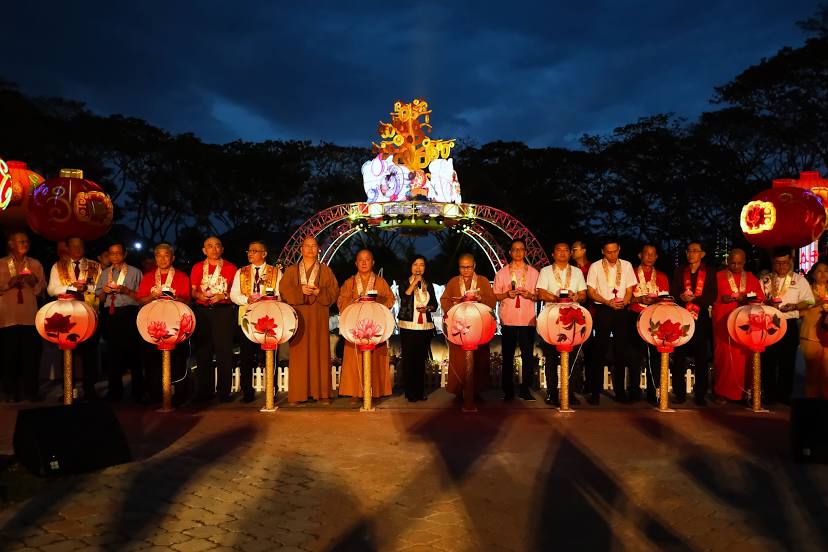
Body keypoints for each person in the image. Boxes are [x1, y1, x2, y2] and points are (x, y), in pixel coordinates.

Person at [280, 237, 339, 405]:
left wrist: (320, 291)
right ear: (301, 249)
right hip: (299, 316)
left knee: (320, 352)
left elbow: (334, 291)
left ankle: (322, 394)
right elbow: (283, 290)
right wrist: (300, 290)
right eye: (307, 246)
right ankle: (298, 394)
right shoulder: (291, 271)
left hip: (319, 315)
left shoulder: (326, 270)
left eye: (314, 246)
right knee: (299, 354)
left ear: (318, 249)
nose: (311, 249)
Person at [47, 236, 102, 400]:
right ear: (68, 249)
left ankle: (90, 390)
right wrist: (71, 287)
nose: (77, 249)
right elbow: (51, 290)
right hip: (67, 315)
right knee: (67, 352)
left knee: (90, 353)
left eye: (80, 246)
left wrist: (87, 287)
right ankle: (68, 389)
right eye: (74, 246)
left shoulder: (94, 265)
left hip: (89, 313)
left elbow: (100, 289)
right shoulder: (58, 266)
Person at [136, 242, 192, 404]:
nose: (162, 258)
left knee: (178, 361)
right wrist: (153, 296)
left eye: (166, 255)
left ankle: (180, 395)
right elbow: (141, 301)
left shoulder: (181, 276)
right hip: (153, 326)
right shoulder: (148, 277)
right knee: (152, 362)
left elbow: (187, 300)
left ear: (172, 257)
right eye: (158, 255)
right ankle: (154, 395)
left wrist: (172, 297)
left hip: (176, 326)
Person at [337, 249, 395, 403]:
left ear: (373, 262)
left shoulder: (380, 282)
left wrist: (377, 301)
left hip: (374, 327)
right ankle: (355, 392)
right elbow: (341, 302)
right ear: (356, 263)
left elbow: (391, 299)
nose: (364, 263)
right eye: (360, 260)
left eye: (367, 259)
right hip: (354, 328)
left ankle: (376, 391)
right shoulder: (349, 282)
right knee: (353, 358)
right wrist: (356, 300)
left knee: (376, 359)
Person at [230, 240, 283, 403]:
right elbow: (233, 294)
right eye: (249, 251)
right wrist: (247, 299)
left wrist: (269, 298)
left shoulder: (276, 272)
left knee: (269, 355)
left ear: (264, 254)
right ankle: (247, 392)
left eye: (254, 251)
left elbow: (281, 295)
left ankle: (271, 390)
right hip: (247, 319)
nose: (250, 253)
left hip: (269, 320)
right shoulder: (241, 272)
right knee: (246, 356)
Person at [760, 247, 814, 405]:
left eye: (784, 263)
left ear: (790, 261)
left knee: (787, 360)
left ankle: (784, 394)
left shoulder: (799, 280)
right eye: (777, 263)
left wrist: (795, 306)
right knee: (768, 359)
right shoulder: (766, 280)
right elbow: (757, 299)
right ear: (773, 263)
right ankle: (769, 394)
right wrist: (766, 303)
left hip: (789, 322)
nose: (781, 267)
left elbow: (810, 301)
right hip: (769, 323)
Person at [586, 240, 637, 404]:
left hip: (621, 309)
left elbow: (629, 289)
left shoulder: (627, 265)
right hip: (604, 309)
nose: (612, 254)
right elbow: (591, 292)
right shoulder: (595, 267)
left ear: (619, 249)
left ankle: (620, 392)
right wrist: (608, 302)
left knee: (621, 350)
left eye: (615, 251)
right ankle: (595, 392)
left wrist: (625, 301)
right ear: (603, 251)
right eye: (608, 252)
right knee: (599, 349)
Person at [536, 242, 587, 406]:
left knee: (571, 358)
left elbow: (584, 295)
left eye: (566, 250)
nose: (563, 253)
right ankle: (551, 393)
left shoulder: (577, 272)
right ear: (553, 254)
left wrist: (575, 297)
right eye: (559, 250)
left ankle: (569, 393)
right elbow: (541, 293)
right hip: (552, 317)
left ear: (570, 254)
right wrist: (558, 298)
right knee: (550, 357)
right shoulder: (545, 271)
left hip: (572, 317)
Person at [440, 254, 496, 401]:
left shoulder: (482, 281)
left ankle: (476, 390)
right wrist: (456, 303)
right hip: (459, 327)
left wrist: (480, 299)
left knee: (480, 358)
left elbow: (491, 301)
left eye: (468, 267)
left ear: (474, 266)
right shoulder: (453, 282)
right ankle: (459, 390)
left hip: (478, 326)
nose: (465, 270)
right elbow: (444, 301)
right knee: (458, 359)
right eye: (462, 267)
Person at [712, 248, 765, 403]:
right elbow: (710, 297)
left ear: (744, 262)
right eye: (733, 263)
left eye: (739, 263)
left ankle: (745, 392)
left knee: (743, 358)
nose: (735, 266)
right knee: (724, 357)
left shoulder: (751, 277)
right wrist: (723, 299)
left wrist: (746, 297)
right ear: (727, 261)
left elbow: (759, 297)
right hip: (723, 323)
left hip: (744, 324)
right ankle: (722, 392)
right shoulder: (718, 276)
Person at [190, 236, 237, 402]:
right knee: (203, 352)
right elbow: (193, 291)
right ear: (204, 250)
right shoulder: (197, 267)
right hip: (202, 312)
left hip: (223, 311)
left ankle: (224, 392)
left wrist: (222, 295)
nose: (214, 249)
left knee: (224, 352)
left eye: (217, 246)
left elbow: (236, 293)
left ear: (222, 249)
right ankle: (204, 391)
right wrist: (199, 295)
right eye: (210, 246)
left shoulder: (231, 268)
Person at [95, 243, 144, 402]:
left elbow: (142, 297)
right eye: (112, 253)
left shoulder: (135, 272)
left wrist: (125, 290)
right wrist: (105, 291)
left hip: (129, 313)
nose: (115, 256)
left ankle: (138, 391)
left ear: (125, 254)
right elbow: (100, 298)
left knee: (133, 353)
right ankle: (115, 391)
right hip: (111, 314)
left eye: (118, 253)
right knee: (113, 353)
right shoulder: (105, 274)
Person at [0, 232, 45, 402]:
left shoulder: (35, 264)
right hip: (7, 317)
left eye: (26, 241)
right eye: (20, 241)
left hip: (29, 316)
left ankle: (31, 391)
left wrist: (34, 282)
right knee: (9, 357)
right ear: (11, 244)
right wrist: (8, 284)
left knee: (31, 356)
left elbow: (41, 291)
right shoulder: (2, 264)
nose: (25, 243)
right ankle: (10, 392)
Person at [493, 239, 540, 402]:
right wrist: (506, 294)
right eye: (515, 249)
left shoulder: (534, 273)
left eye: (521, 249)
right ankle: (508, 391)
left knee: (527, 356)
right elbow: (495, 295)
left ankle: (525, 390)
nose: (518, 252)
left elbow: (539, 295)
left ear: (526, 252)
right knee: (507, 356)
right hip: (509, 319)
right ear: (510, 253)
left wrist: (530, 295)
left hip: (527, 320)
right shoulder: (502, 273)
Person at [671, 242, 717, 406]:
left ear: (702, 254)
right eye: (689, 251)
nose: (691, 254)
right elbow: (673, 291)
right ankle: (679, 393)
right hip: (682, 316)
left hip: (701, 317)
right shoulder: (679, 271)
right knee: (679, 357)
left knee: (701, 358)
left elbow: (712, 294)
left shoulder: (710, 272)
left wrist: (696, 299)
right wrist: (681, 297)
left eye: (695, 251)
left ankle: (700, 394)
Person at [628, 244, 671, 404]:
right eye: (647, 254)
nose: (650, 257)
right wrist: (639, 299)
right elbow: (625, 298)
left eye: (653, 254)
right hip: (635, 316)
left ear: (657, 257)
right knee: (634, 356)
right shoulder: (631, 273)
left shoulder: (662, 276)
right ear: (640, 255)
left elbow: (666, 299)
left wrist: (656, 300)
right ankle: (634, 391)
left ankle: (654, 392)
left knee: (654, 357)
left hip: (655, 318)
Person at [398, 255, 438, 402]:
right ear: (410, 266)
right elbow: (404, 297)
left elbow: (435, 304)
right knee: (409, 360)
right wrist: (414, 283)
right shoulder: (404, 282)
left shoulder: (429, 284)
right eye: (415, 264)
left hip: (424, 327)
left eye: (422, 265)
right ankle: (410, 393)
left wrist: (428, 308)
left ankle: (420, 392)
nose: (418, 268)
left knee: (421, 361)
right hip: (408, 326)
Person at [801, 261, 828, 398]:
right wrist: (815, 302)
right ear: (813, 274)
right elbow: (799, 310)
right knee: (812, 373)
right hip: (810, 335)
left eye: (826, 271)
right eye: (819, 271)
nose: (823, 274)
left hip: (827, 337)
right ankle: (811, 406)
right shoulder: (807, 291)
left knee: (826, 374)